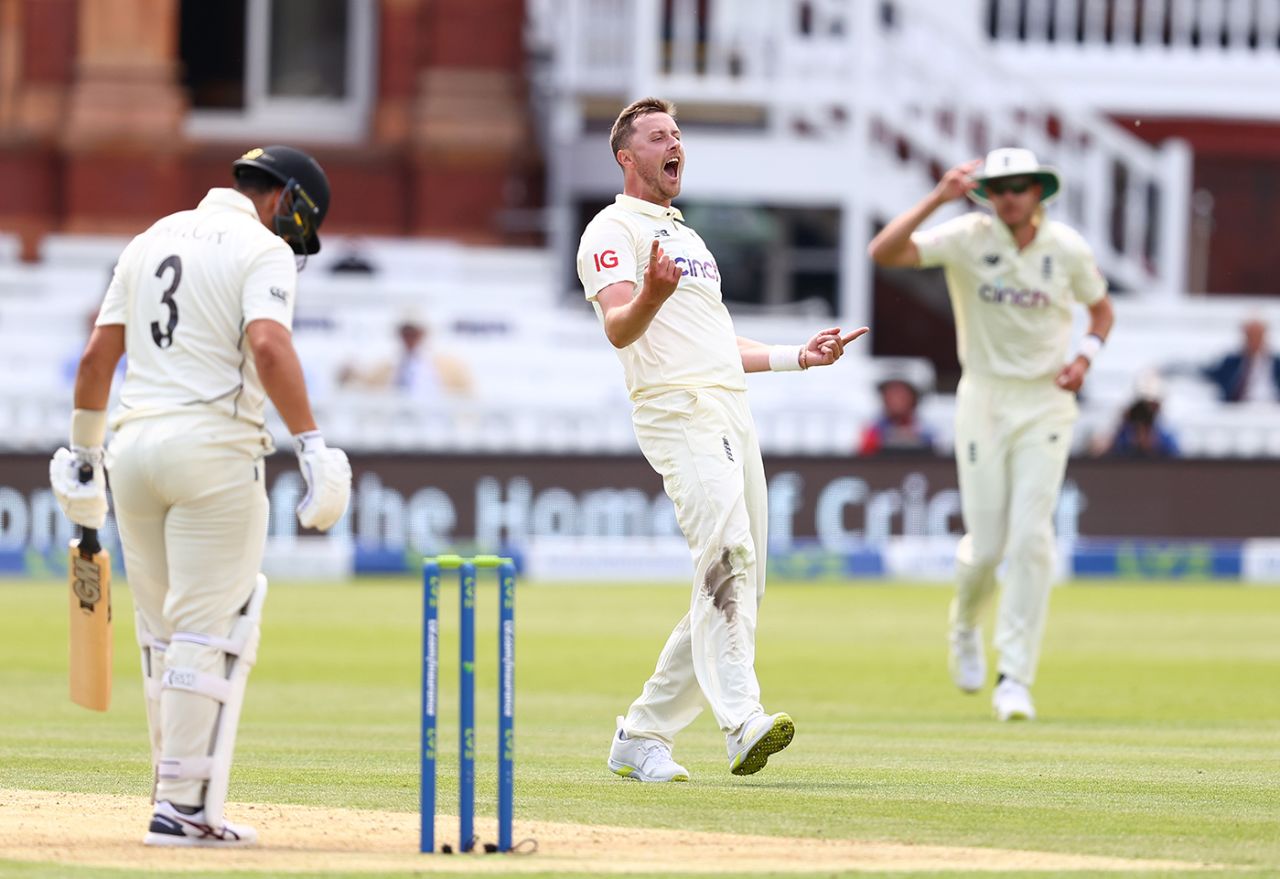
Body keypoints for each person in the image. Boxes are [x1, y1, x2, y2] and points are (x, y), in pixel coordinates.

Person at [49, 145, 352, 846]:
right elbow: (270, 346)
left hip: (133, 452)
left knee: (164, 636)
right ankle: (182, 807)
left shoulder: (150, 238)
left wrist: (83, 453)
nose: (293, 243)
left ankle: (173, 793)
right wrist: (313, 445)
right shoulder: (260, 247)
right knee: (213, 628)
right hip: (212, 452)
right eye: (297, 227)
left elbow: (99, 356)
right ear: (287, 200)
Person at [577, 97, 867, 782]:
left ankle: (642, 733)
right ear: (628, 157)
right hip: (677, 409)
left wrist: (801, 355)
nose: (674, 143)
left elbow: (715, 343)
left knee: (740, 581)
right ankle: (742, 722)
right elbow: (620, 325)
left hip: (730, 408)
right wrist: (650, 292)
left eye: (677, 133)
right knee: (725, 555)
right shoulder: (611, 228)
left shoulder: (687, 238)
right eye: (657, 136)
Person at [868, 147, 1115, 722]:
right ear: (988, 193)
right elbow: (883, 252)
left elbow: (1102, 312)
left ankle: (1016, 677)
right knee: (986, 547)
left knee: (1033, 538)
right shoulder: (967, 235)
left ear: (1038, 192)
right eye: (999, 187)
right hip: (983, 398)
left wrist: (1086, 358)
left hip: (1046, 401)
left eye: (1020, 186)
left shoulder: (1067, 248)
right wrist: (937, 198)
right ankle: (963, 625)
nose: (1009, 196)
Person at [338, 310, 472, 398]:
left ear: (423, 334)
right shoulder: (387, 368)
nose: (410, 338)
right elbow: (365, 385)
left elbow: (468, 394)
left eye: (414, 334)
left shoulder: (449, 366)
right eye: (406, 333)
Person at [1201, 317, 1280, 403]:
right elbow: (1213, 375)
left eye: (1257, 336)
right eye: (1251, 336)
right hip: (1240, 407)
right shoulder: (1232, 362)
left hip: (1272, 406)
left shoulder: (1276, 363)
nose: (1254, 340)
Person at [1103, 371, 1179, 458]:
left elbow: (1175, 455)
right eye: (1144, 404)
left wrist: (1154, 443)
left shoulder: (1166, 432)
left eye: (1152, 404)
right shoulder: (1125, 431)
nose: (1148, 410)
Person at [858, 376, 935, 455]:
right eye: (890, 394)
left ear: (913, 398)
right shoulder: (873, 431)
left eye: (900, 394)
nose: (895, 400)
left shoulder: (926, 430)